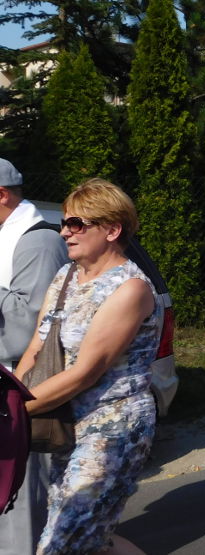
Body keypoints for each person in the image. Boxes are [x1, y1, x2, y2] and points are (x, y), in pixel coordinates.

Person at [15, 178, 162, 554]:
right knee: (92, 538)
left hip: (113, 429)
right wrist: (9, 395)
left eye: (77, 224)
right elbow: (37, 348)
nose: (65, 232)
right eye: (65, 223)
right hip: (66, 423)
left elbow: (86, 372)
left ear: (112, 230)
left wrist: (11, 411)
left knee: (61, 541)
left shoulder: (130, 288)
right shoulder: (66, 276)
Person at [0, 158, 68, 554]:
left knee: (21, 497)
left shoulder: (37, 241)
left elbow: (30, 326)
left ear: (2, 195)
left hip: (18, 386)